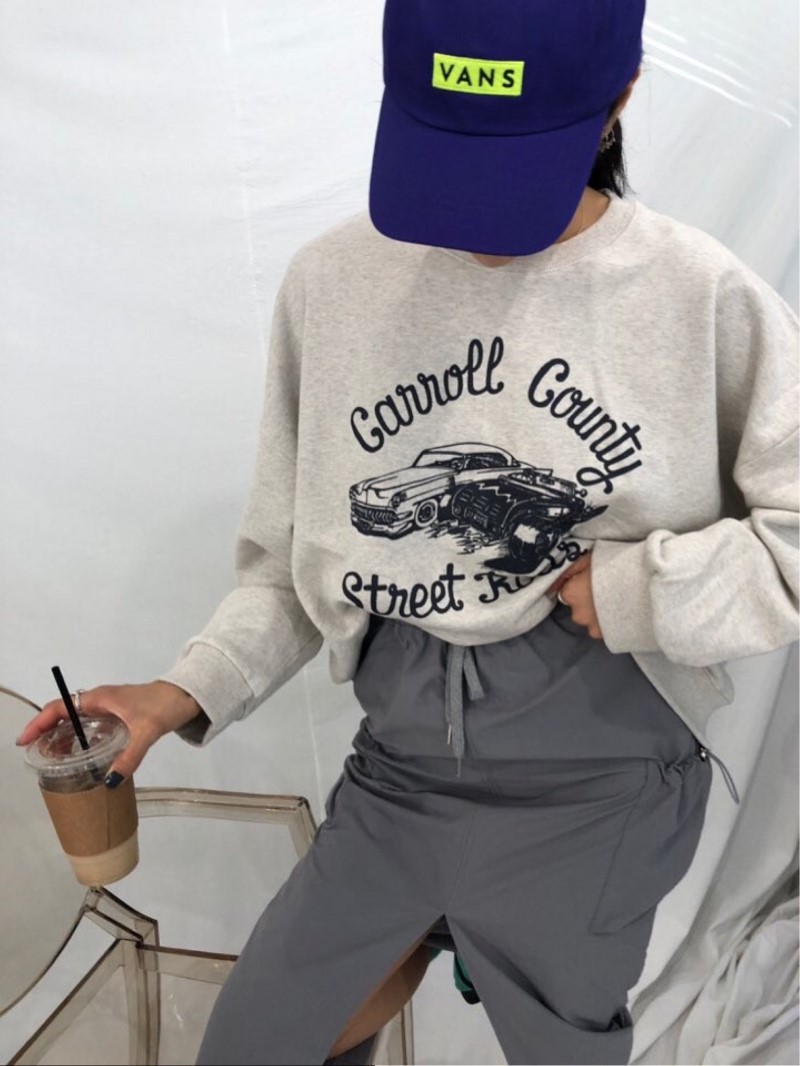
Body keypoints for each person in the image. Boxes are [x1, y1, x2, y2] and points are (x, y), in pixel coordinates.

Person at [18, 1, 799, 1063]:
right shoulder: (334, 283)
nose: (475, 219)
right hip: (401, 769)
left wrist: (640, 590)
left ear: (619, 95)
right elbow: (298, 562)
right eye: (449, 153)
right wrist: (183, 690)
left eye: (514, 163)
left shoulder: (697, 295)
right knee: (255, 1044)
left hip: (600, 784)